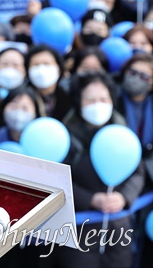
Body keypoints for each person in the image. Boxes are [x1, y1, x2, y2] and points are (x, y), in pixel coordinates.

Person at [59, 72, 144, 268]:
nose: (98, 105)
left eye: (103, 99)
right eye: (90, 100)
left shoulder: (122, 130)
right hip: (78, 232)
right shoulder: (65, 135)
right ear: (79, 102)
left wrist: (124, 198)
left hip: (117, 229)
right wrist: (90, 199)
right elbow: (58, 179)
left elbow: (137, 173)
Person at [25, 44, 71, 120]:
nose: (41, 70)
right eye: (36, 65)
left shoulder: (69, 96)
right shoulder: (22, 97)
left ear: (58, 68)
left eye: (47, 64)